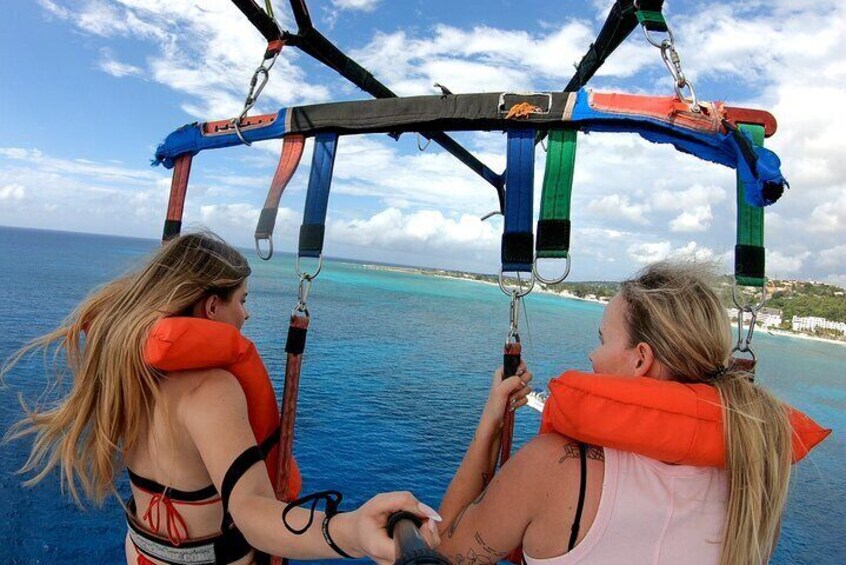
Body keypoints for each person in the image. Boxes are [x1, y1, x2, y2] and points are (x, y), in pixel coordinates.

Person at [3, 232, 439, 565]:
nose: (247, 314)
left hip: (141, 553)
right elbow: (250, 511)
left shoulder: (124, 368)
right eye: (243, 301)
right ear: (212, 308)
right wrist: (350, 531)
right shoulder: (210, 389)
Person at [436, 261, 793, 565]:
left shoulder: (555, 468)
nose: (592, 355)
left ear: (641, 358)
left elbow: (444, 549)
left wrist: (491, 424)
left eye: (603, 339)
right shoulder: (753, 476)